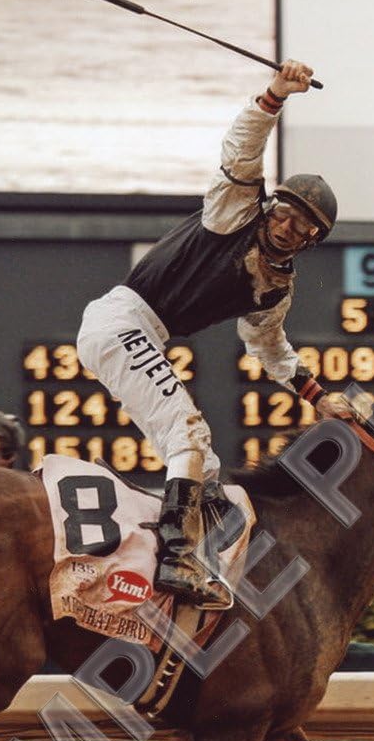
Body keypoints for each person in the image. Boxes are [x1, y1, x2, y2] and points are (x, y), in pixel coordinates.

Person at [77, 60, 336, 608]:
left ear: (312, 238)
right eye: (286, 214)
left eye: (303, 226)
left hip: (134, 332)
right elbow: (241, 153)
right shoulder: (232, 210)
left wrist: (315, 394)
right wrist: (274, 95)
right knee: (189, 438)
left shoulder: (276, 288)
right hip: (122, 319)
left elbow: (268, 347)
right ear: (271, 206)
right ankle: (175, 561)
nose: (289, 228)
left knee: (208, 470)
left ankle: (181, 568)